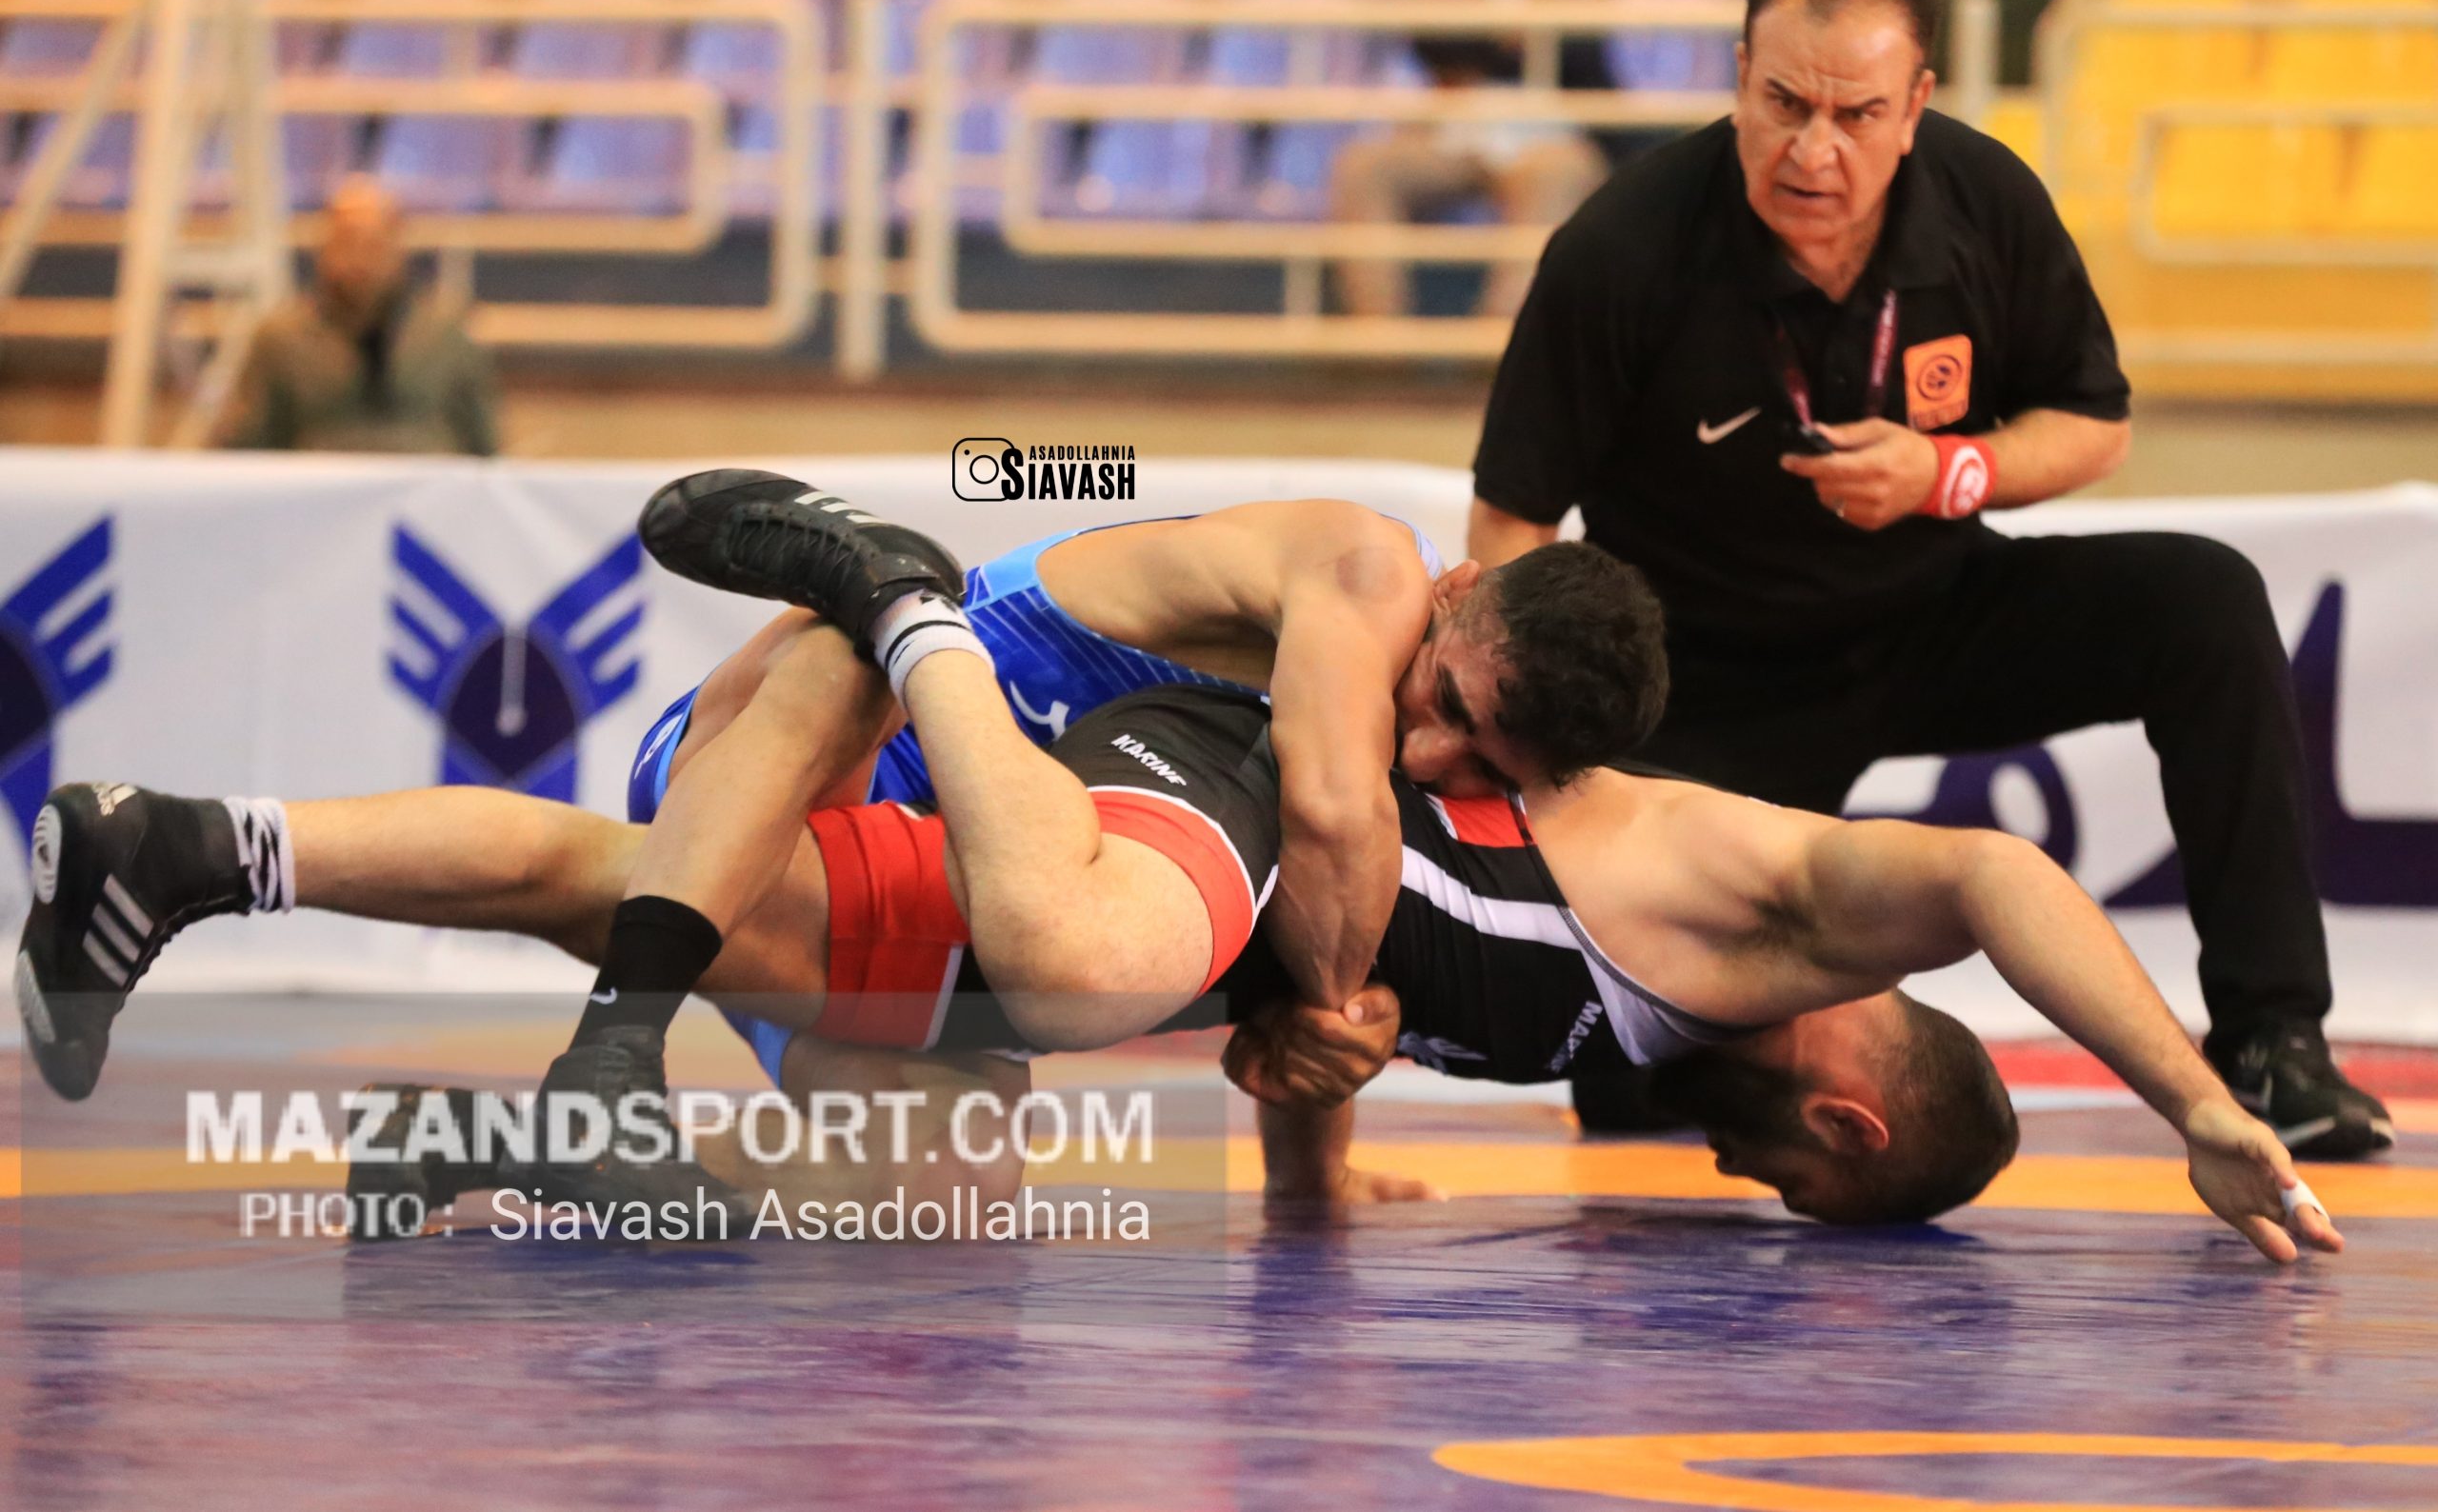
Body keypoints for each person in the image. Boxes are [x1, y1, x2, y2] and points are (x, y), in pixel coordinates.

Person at [18, 659, 2341, 1261]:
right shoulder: (1767, 909)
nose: (1750, 1185)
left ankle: (465, 1144)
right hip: (1014, 779)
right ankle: (195, 843)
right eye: (1798, 1182)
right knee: (640, 886)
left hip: (1086, 834)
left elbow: (1340, 973)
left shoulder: (1636, 994)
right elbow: (2000, 878)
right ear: (1843, 1106)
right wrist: (2196, 1100)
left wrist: (1312, 1158)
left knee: (906, 1228)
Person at [19, 479, 1666, 1216]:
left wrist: (1317, 1168)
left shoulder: (1370, 713)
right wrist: (1343, 1011)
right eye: (1452, 704)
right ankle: (208, 850)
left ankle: (500, 1144)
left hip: (923, 848)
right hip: (791, 755)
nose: (1432, 753)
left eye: (1481, 766)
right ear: (1458, 593)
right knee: (852, 648)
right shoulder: (1368, 572)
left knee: (944, 1192)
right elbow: (1333, 833)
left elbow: (1321, 909)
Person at [1464, 0, 2391, 1160]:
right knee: (1642, 1104)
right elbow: (1512, 523)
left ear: (1916, 107)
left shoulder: (1984, 199)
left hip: (1934, 613)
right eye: (1784, 103)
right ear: (1739, 76)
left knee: (2203, 598)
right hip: (1704, 681)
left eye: (1856, 114)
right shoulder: (1620, 247)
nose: (1813, 149)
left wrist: (1949, 472)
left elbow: (2095, 424)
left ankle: (2275, 1040)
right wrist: (1545, 756)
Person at [1329, 0, 1614, 320]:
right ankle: (1379, 341)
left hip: (1550, 131)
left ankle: (1500, 343)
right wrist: (1511, 44)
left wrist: (1479, 52)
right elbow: (1429, 41)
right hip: (1461, 127)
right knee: (1363, 168)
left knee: (1555, 181)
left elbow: (1577, 51)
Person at [221, 176, 496, 456]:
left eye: (374, 244)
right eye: (347, 242)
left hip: (426, 479)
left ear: (398, 247)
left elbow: (483, 443)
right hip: (321, 479)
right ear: (325, 248)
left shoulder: (446, 337)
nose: (360, 259)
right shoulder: (281, 340)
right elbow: (242, 444)